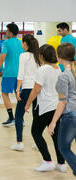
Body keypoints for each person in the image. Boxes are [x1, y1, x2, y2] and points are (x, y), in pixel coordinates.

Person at [25, 44, 66, 172]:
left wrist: (27, 104)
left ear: (42, 56)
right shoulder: (58, 69)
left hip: (44, 107)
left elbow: (36, 90)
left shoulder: (43, 69)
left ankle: (47, 160)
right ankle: (61, 164)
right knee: (56, 135)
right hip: (56, 107)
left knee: (36, 132)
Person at [48, 43, 76, 176]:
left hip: (71, 116)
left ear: (59, 57)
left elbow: (63, 102)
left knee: (64, 147)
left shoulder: (63, 76)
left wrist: (53, 122)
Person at [10, 34, 40, 151]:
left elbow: (20, 74)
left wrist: (18, 90)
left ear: (26, 44)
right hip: (38, 89)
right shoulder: (38, 56)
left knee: (18, 115)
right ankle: (38, 142)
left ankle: (19, 142)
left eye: (22, 42)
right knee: (37, 116)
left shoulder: (23, 56)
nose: (21, 45)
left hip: (27, 89)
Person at [0, 23, 24, 127]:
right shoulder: (21, 43)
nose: (6, 33)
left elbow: (2, 58)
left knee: (5, 94)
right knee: (19, 95)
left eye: (7, 31)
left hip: (9, 73)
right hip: (19, 73)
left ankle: (11, 118)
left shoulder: (6, 43)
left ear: (10, 32)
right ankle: (20, 119)